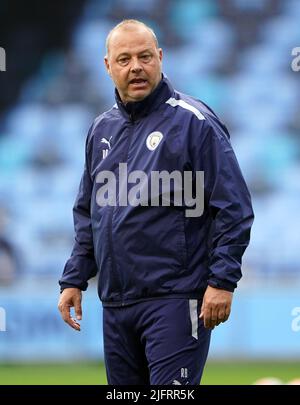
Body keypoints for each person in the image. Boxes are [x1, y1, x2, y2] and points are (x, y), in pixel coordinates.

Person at [58, 19, 254, 385]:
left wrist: (223, 281)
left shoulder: (195, 123)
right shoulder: (101, 130)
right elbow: (89, 213)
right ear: (107, 66)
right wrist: (74, 278)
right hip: (115, 306)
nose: (136, 67)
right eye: (124, 59)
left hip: (176, 301)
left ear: (160, 58)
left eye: (145, 57)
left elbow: (234, 208)